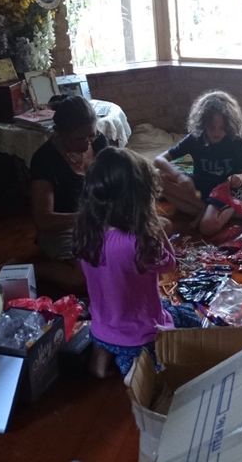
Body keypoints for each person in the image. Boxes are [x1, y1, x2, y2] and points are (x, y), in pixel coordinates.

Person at [74, 147, 201, 378]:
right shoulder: (136, 241)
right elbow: (170, 264)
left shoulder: (86, 230)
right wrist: (152, 222)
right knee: (189, 317)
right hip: (138, 335)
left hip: (101, 326)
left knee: (118, 322)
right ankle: (132, 365)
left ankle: (100, 361)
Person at [30, 95, 108, 293]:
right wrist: (86, 217)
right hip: (62, 227)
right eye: (79, 138)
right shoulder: (45, 159)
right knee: (80, 277)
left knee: (152, 234)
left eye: (91, 136)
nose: (86, 143)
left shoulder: (99, 143)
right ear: (60, 133)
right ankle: (27, 267)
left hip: (98, 218)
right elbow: (43, 220)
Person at [155, 90, 242, 236]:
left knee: (207, 227)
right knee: (156, 176)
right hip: (200, 185)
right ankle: (203, 208)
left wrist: (240, 178)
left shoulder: (236, 141)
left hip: (225, 189)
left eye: (222, 128)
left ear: (229, 125)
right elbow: (159, 160)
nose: (217, 132)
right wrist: (178, 176)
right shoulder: (195, 138)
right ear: (203, 124)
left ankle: (232, 206)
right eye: (212, 127)